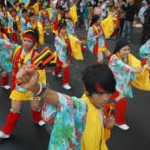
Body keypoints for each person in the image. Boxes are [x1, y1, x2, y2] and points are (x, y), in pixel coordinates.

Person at [15, 64, 116, 149]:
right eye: (100, 93)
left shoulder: (99, 104)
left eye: (109, 93)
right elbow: (63, 101)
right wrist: (37, 88)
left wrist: (106, 126)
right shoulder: (82, 108)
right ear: (86, 90)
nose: (105, 99)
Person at [0, 29, 46, 139]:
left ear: (34, 43)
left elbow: (41, 74)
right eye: (24, 40)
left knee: (35, 106)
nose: (25, 43)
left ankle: (37, 118)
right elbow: (3, 43)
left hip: (32, 85)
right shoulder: (17, 50)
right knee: (15, 108)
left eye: (29, 41)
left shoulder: (37, 56)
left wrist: (39, 88)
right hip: (19, 85)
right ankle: (6, 131)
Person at [109, 39, 144, 130]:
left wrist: (144, 66)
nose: (127, 52)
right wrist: (135, 70)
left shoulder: (126, 57)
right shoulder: (114, 58)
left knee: (117, 99)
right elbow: (123, 66)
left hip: (121, 84)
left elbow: (136, 63)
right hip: (114, 83)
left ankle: (112, 114)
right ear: (118, 49)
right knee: (120, 100)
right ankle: (118, 121)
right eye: (124, 50)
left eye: (128, 49)